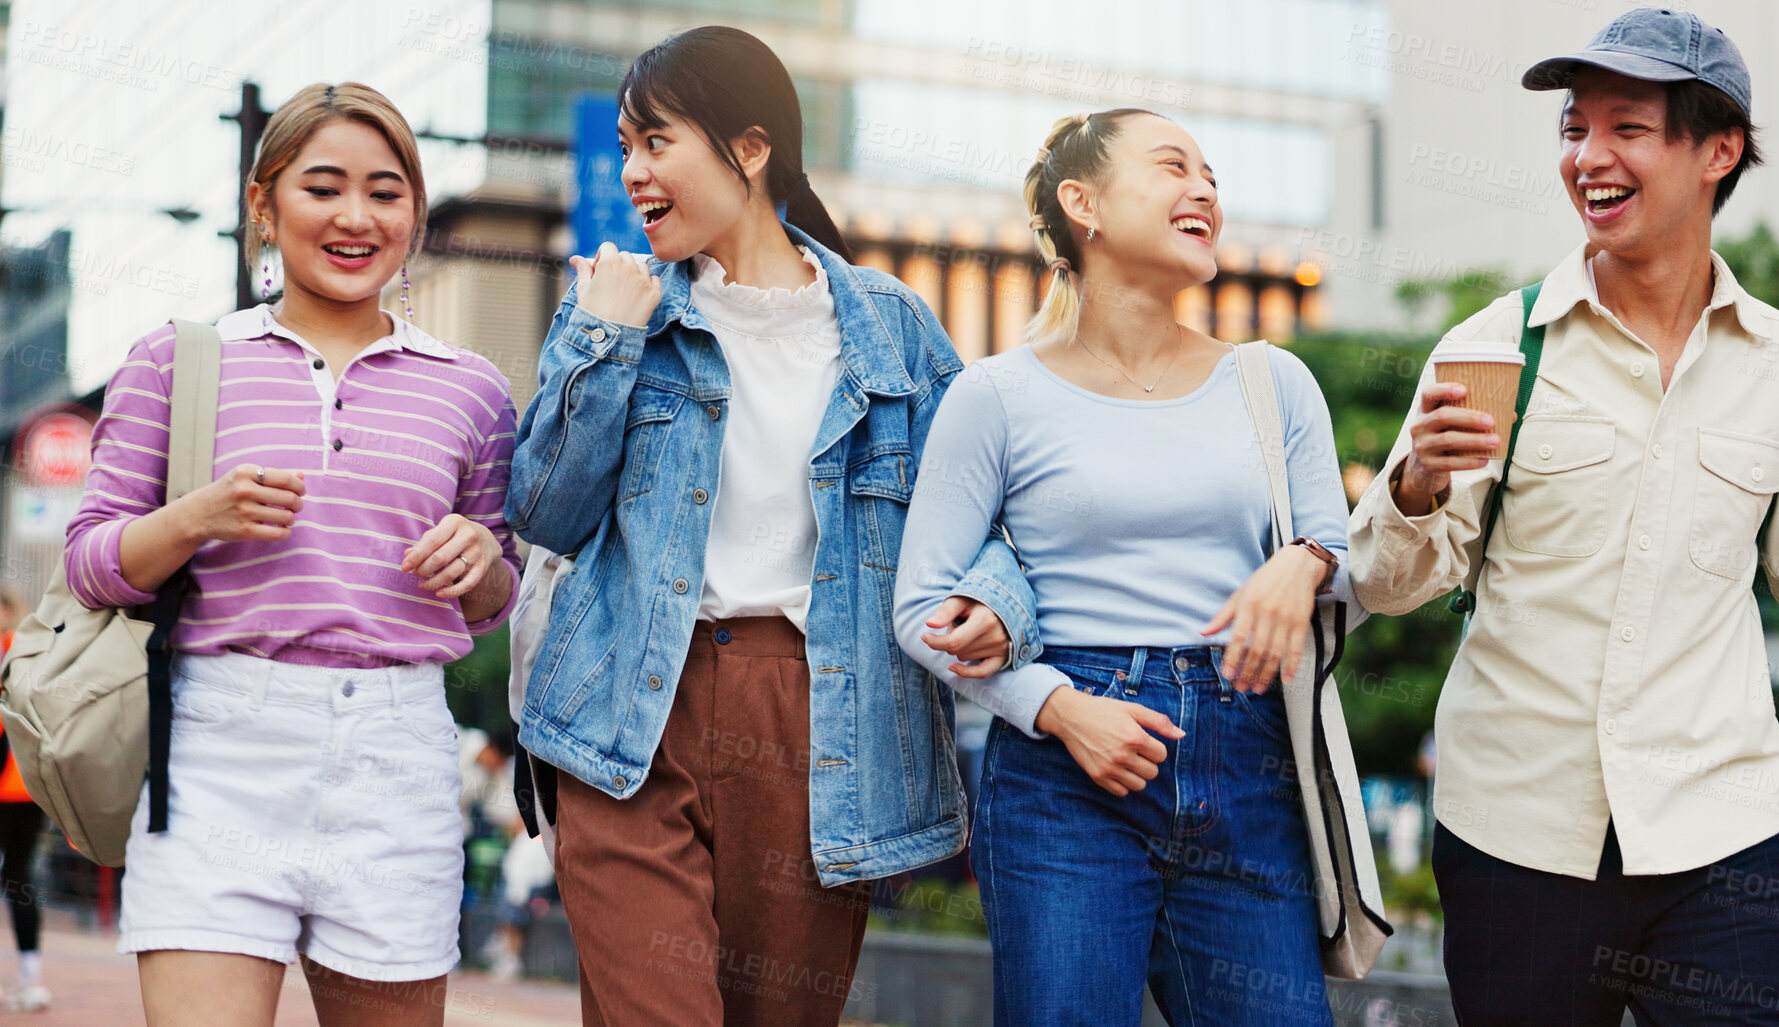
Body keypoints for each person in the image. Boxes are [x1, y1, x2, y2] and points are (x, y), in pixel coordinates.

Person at [1347, 10, 1779, 1023]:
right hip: (1519, 835)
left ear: (1718, 151)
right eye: (1574, 129)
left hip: (1724, 835)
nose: (1588, 157)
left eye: (1626, 127)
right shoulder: (1499, 345)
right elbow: (1387, 583)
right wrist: (1413, 489)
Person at [504, 27, 1037, 1027]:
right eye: (624, 146)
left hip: (819, 722)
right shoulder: (623, 308)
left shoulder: (892, 326)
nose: (631, 172)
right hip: (629, 712)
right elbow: (544, 514)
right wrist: (602, 339)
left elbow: (989, 520)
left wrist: (997, 604)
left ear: (749, 148)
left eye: (655, 141)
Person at [65, 82, 521, 1027]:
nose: (356, 217)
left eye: (385, 192)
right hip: (219, 746)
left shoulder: (472, 390)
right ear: (264, 206)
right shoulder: (176, 360)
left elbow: (493, 595)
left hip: (399, 756)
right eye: (324, 188)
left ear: (415, 213)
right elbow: (91, 560)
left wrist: (481, 563)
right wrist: (194, 518)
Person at [894, 107, 1360, 1025]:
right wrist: (1060, 710)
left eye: (1213, 176)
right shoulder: (994, 395)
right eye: (1172, 166)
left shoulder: (1272, 381)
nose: (1204, 190)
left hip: (1247, 757)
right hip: (1066, 771)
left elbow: (1345, 562)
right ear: (1084, 203)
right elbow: (918, 607)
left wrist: (1300, 563)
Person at [0, 584, 48, 1012]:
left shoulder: (16, 653)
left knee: (17, 878)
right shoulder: (33, 655)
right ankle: (30, 978)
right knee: (19, 879)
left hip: (16, 789)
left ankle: (30, 978)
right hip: (27, 787)